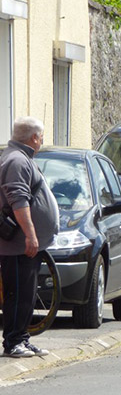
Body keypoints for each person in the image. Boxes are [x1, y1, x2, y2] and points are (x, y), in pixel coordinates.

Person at [0, 117, 58, 358]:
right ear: (34, 138)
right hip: (16, 245)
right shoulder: (16, 160)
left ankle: (22, 338)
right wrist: (31, 235)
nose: (42, 141)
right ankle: (13, 342)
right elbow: (18, 199)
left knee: (26, 292)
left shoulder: (20, 158)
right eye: (41, 137)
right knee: (17, 293)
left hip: (21, 245)